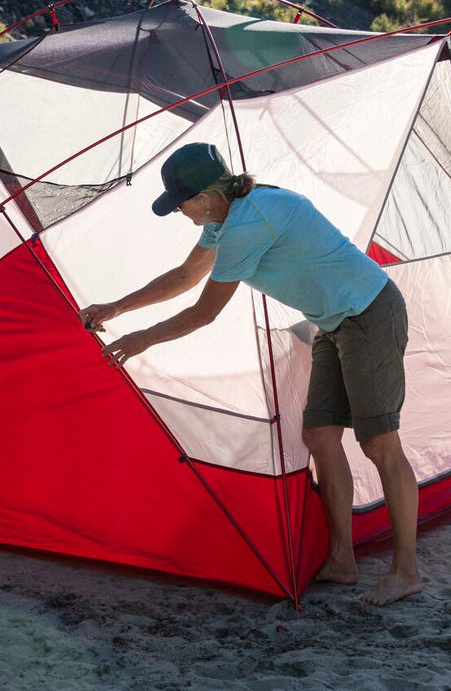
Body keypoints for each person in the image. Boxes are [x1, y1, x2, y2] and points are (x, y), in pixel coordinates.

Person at [79, 142, 422, 605]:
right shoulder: (224, 220)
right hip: (333, 323)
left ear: (204, 197)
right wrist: (118, 306)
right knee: (321, 436)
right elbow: (185, 277)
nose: (178, 211)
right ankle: (342, 560)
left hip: (369, 313)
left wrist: (142, 339)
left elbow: (205, 313)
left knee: (380, 443)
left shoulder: (247, 223)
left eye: (179, 203)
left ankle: (406, 572)